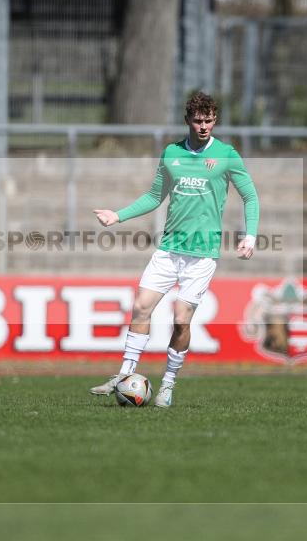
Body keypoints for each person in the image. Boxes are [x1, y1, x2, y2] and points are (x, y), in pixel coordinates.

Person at [90, 92, 259, 408]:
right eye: (198, 120)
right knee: (141, 306)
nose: (204, 126)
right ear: (188, 121)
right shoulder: (171, 153)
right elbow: (155, 197)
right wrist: (117, 215)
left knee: (181, 319)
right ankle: (124, 375)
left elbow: (250, 197)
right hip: (169, 249)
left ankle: (167, 384)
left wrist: (250, 237)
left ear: (215, 120)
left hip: (202, 254)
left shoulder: (226, 154)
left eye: (209, 120)